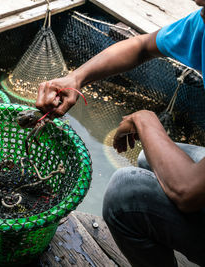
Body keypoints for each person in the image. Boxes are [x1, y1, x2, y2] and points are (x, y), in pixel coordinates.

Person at [36, 1, 205, 266]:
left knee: (125, 193)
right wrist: (76, 79)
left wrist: (144, 119)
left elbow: (188, 191)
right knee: (147, 161)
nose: (197, 3)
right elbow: (141, 47)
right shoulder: (203, 23)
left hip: (194, 190)